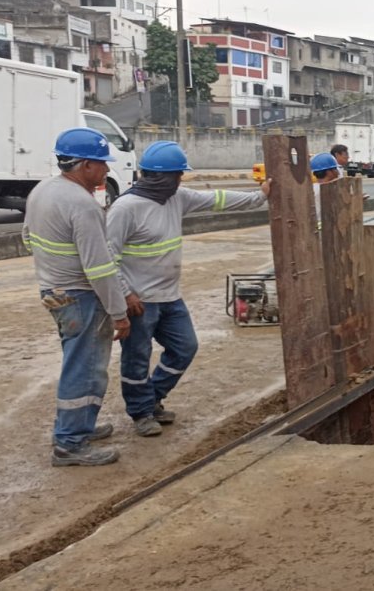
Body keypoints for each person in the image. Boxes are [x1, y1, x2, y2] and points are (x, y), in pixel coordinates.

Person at [106, 141, 272, 437]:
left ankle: (152, 397)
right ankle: (141, 413)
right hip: (140, 301)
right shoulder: (125, 208)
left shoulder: (176, 197)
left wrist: (259, 196)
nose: (181, 179)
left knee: (185, 347)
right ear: (161, 177)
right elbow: (107, 258)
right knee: (136, 359)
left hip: (170, 297)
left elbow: (217, 199)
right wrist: (125, 294)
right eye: (177, 174)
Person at [24, 128, 135, 467]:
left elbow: (27, 238)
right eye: (102, 163)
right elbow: (100, 269)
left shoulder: (42, 190)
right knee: (85, 369)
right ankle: (70, 444)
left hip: (55, 292)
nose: (106, 170)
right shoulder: (83, 205)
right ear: (86, 165)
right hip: (80, 297)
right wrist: (119, 312)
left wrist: (53, 270)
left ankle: (78, 426)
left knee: (77, 363)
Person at [310, 152, 342, 227]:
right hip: (327, 229)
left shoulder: (311, 189)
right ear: (329, 172)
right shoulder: (330, 190)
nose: (338, 172)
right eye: (335, 169)